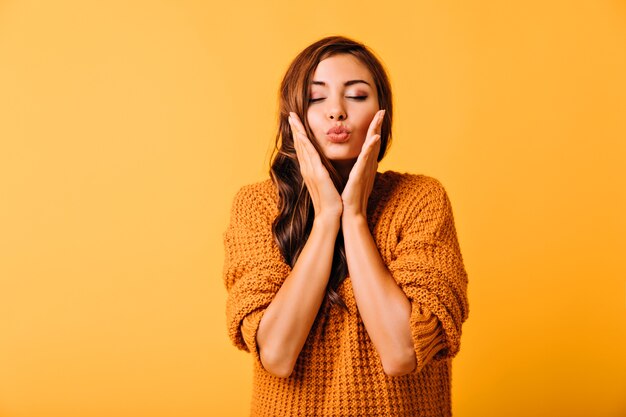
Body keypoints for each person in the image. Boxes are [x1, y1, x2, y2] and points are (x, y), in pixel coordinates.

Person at [222, 35, 469, 417]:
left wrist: (354, 217)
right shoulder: (257, 206)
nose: (336, 111)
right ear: (292, 117)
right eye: (316, 98)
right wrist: (326, 219)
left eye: (356, 96)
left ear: (382, 113)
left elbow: (402, 353)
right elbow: (277, 355)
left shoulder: (421, 199)